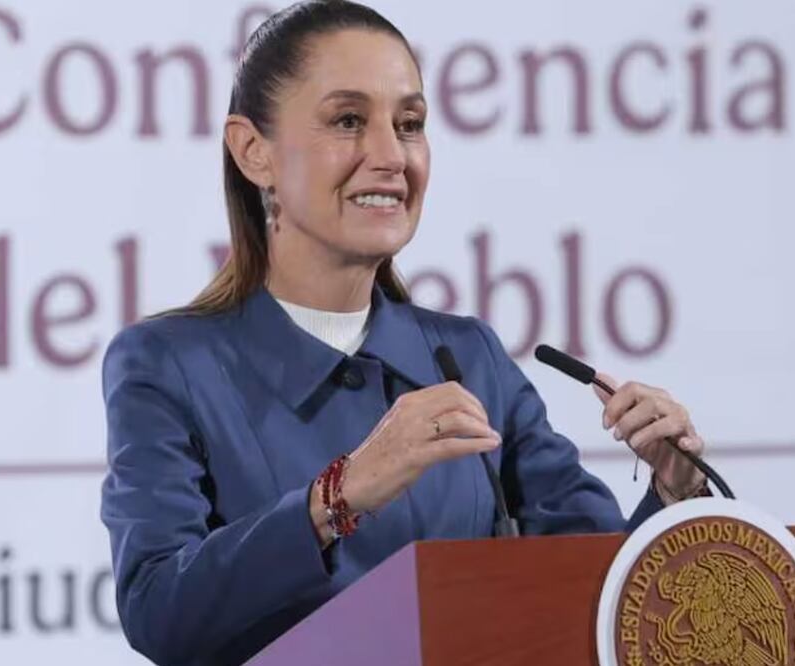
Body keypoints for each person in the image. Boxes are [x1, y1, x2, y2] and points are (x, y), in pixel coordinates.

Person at [99, 1, 708, 664]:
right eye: (348, 120)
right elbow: (160, 610)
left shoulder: (467, 356)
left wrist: (675, 494)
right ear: (254, 151)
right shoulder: (169, 364)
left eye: (410, 124)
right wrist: (340, 495)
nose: (391, 156)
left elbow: (597, 588)